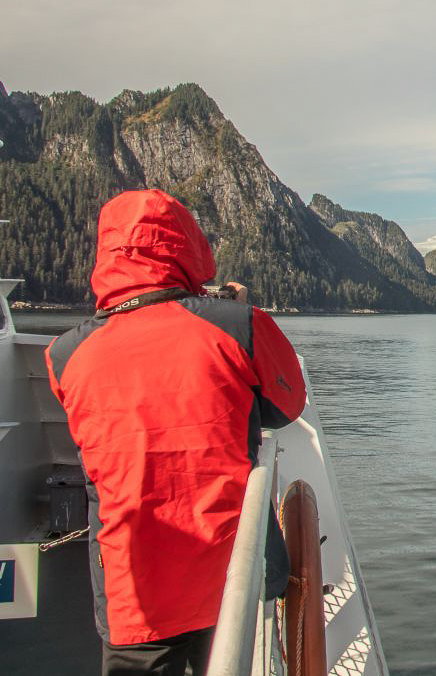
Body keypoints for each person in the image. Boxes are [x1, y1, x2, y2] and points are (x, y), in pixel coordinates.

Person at [44, 189, 307, 675]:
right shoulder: (238, 326)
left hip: (133, 586)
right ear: (187, 245)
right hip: (230, 571)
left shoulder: (65, 354)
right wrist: (228, 309)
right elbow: (286, 405)